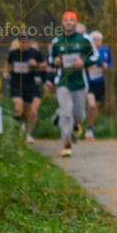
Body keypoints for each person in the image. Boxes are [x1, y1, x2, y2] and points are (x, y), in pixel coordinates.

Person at [45, 12, 99, 157]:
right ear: (62, 24)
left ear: (75, 23)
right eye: (66, 20)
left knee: (79, 115)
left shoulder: (84, 39)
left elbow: (95, 56)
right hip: (63, 82)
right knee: (67, 113)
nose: (68, 23)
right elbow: (50, 60)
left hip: (80, 82)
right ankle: (66, 144)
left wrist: (84, 62)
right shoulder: (57, 42)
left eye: (71, 20)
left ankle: (73, 122)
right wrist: (54, 62)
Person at [3, 36, 44, 143]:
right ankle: (13, 132)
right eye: (23, 42)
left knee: (28, 110)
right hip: (16, 84)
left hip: (29, 85)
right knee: (18, 107)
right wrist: (5, 72)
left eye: (27, 41)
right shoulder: (14, 53)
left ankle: (27, 133)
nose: (25, 44)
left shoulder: (35, 53)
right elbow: (8, 63)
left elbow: (44, 65)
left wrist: (36, 64)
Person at [83, 30, 112, 141]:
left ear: (101, 41)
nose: (96, 42)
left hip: (100, 82)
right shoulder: (87, 52)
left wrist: (106, 66)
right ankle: (82, 125)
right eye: (94, 40)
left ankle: (89, 128)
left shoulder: (105, 50)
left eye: (98, 40)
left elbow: (110, 63)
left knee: (96, 108)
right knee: (92, 105)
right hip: (89, 82)